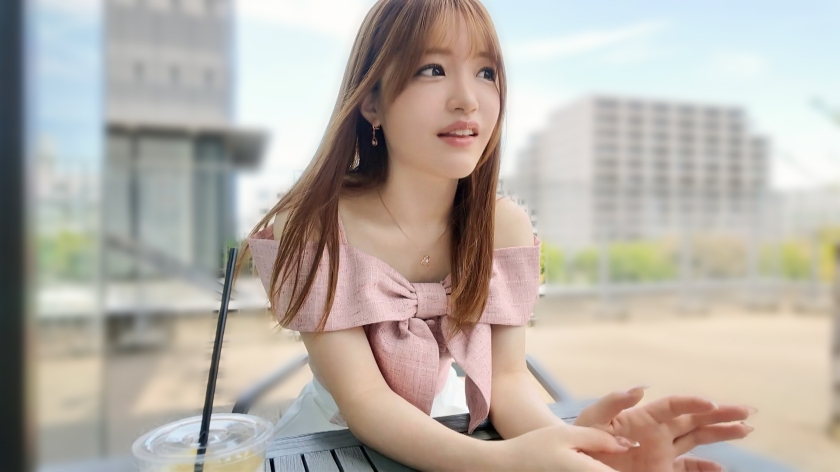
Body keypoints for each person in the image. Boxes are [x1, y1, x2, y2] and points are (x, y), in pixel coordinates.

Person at [239, 0, 755, 470]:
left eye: (486, 72)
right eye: (432, 69)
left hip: (450, 430)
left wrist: (585, 450)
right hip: (325, 445)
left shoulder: (504, 225)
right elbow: (365, 402)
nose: (468, 100)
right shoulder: (314, 226)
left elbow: (507, 382)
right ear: (371, 102)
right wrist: (506, 462)